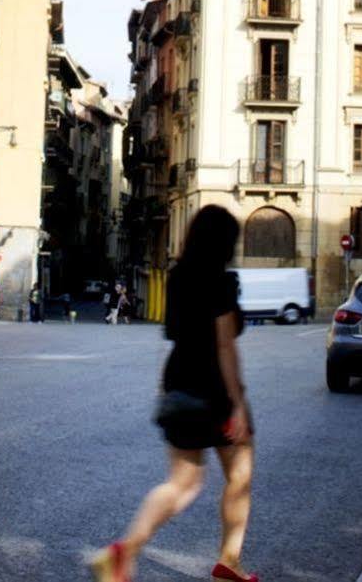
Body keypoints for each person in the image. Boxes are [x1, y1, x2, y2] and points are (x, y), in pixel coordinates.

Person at [91, 206, 256, 582]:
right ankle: (229, 560)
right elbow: (225, 345)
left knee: (182, 483)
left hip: (180, 379)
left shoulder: (177, 277)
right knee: (240, 475)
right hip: (215, 388)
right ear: (226, 242)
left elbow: (172, 334)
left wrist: (166, 387)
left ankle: (124, 551)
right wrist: (237, 403)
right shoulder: (221, 281)